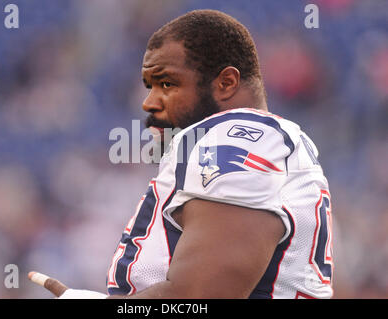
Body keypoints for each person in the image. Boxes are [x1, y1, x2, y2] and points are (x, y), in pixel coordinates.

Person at [30, 9, 334, 299]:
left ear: (226, 83)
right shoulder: (254, 139)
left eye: (167, 84)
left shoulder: (239, 137)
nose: (150, 102)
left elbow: (200, 298)